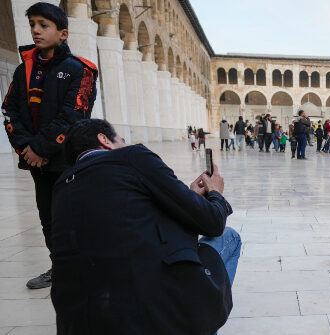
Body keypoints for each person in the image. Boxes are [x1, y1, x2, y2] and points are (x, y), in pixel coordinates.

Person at [52, 119, 239, 334]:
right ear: (104, 140)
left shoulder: (61, 187)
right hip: (150, 316)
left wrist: (189, 197)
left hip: (78, 324)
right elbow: (212, 222)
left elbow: (127, 222)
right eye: (122, 140)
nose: (125, 144)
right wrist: (215, 194)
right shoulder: (132, 157)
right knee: (229, 237)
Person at [2, 2, 98, 289]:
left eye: (44, 25)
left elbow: (74, 115)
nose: (36, 30)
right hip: (37, 163)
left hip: (67, 159)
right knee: (48, 219)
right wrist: (26, 151)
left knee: (73, 216)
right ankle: (60, 268)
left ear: (63, 33)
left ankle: (86, 268)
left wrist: (41, 149)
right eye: (32, 24)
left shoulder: (80, 70)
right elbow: (10, 112)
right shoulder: (23, 72)